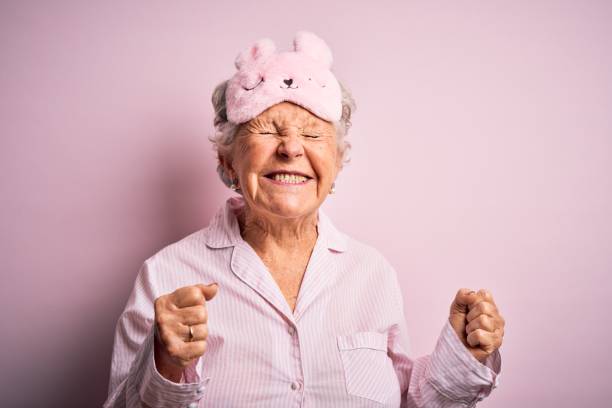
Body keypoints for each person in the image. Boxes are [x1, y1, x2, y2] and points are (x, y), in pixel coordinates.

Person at [103, 31, 504, 408]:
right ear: (227, 159)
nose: (292, 148)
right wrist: (166, 365)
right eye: (268, 130)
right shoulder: (165, 275)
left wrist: (462, 355)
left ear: (337, 163)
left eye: (314, 134)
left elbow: (404, 400)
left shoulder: (372, 273)